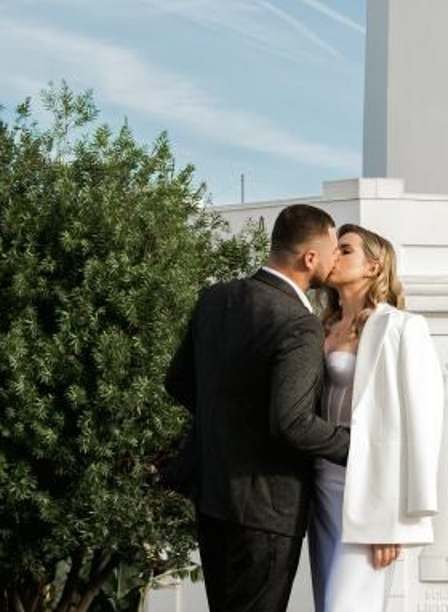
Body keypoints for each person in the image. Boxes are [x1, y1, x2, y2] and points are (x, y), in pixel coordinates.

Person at [165, 204, 350, 612]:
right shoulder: (299, 324)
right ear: (310, 258)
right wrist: (361, 449)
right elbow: (293, 423)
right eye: (334, 249)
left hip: (212, 497)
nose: (337, 258)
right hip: (267, 510)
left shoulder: (216, 298)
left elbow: (177, 381)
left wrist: (230, 421)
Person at [309, 224, 444, 612]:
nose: (333, 257)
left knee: (344, 606)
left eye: (345, 250)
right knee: (327, 604)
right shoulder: (319, 328)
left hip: (369, 487)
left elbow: (423, 423)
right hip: (320, 480)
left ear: (373, 267)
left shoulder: (403, 328)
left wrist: (395, 519)